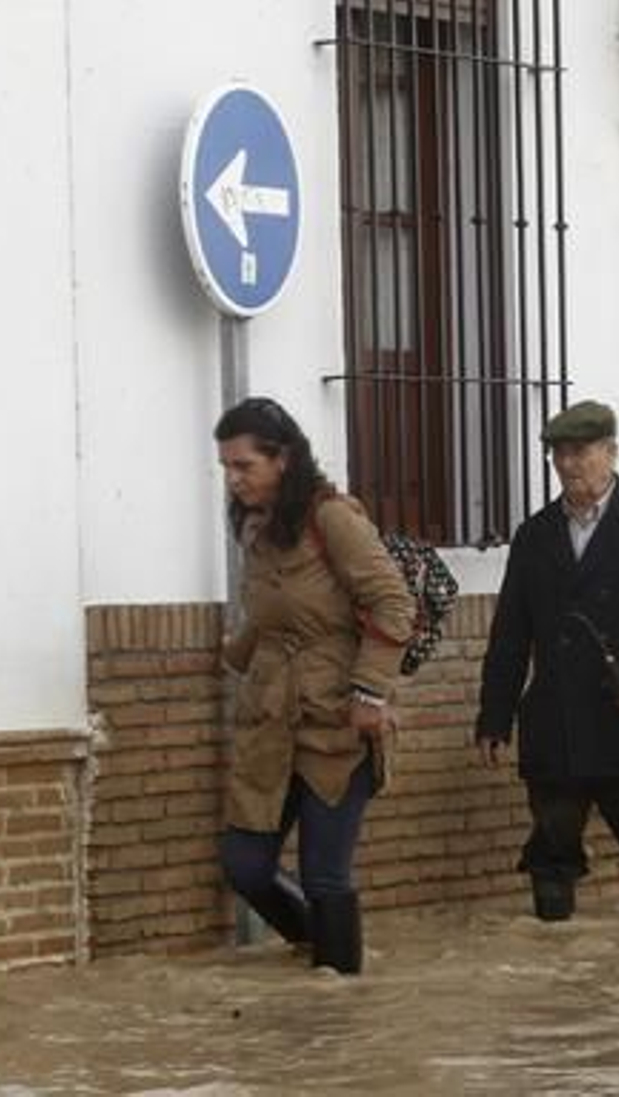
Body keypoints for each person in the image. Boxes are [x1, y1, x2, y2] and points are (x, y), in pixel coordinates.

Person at [475, 400, 619, 921]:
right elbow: (511, 634)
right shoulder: (536, 536)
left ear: (611, 451)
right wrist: (495, 716)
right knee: (550, 855)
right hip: (556, 725)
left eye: (579, 451)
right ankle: (554, 963)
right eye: (557, 453)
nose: (567, 464)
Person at [214, 396, 415, 974]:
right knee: (244, 863)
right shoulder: (255, 524)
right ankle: (318, 950)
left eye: (243, 466)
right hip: (270, 723)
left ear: (283, 459)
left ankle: (341, 992)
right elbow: (276, 613)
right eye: (227, 467)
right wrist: (238, 655)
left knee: (327, 873)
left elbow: (393, 604)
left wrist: (371, 694)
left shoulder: (333, 518)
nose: (233, 479)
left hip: (336, 725)